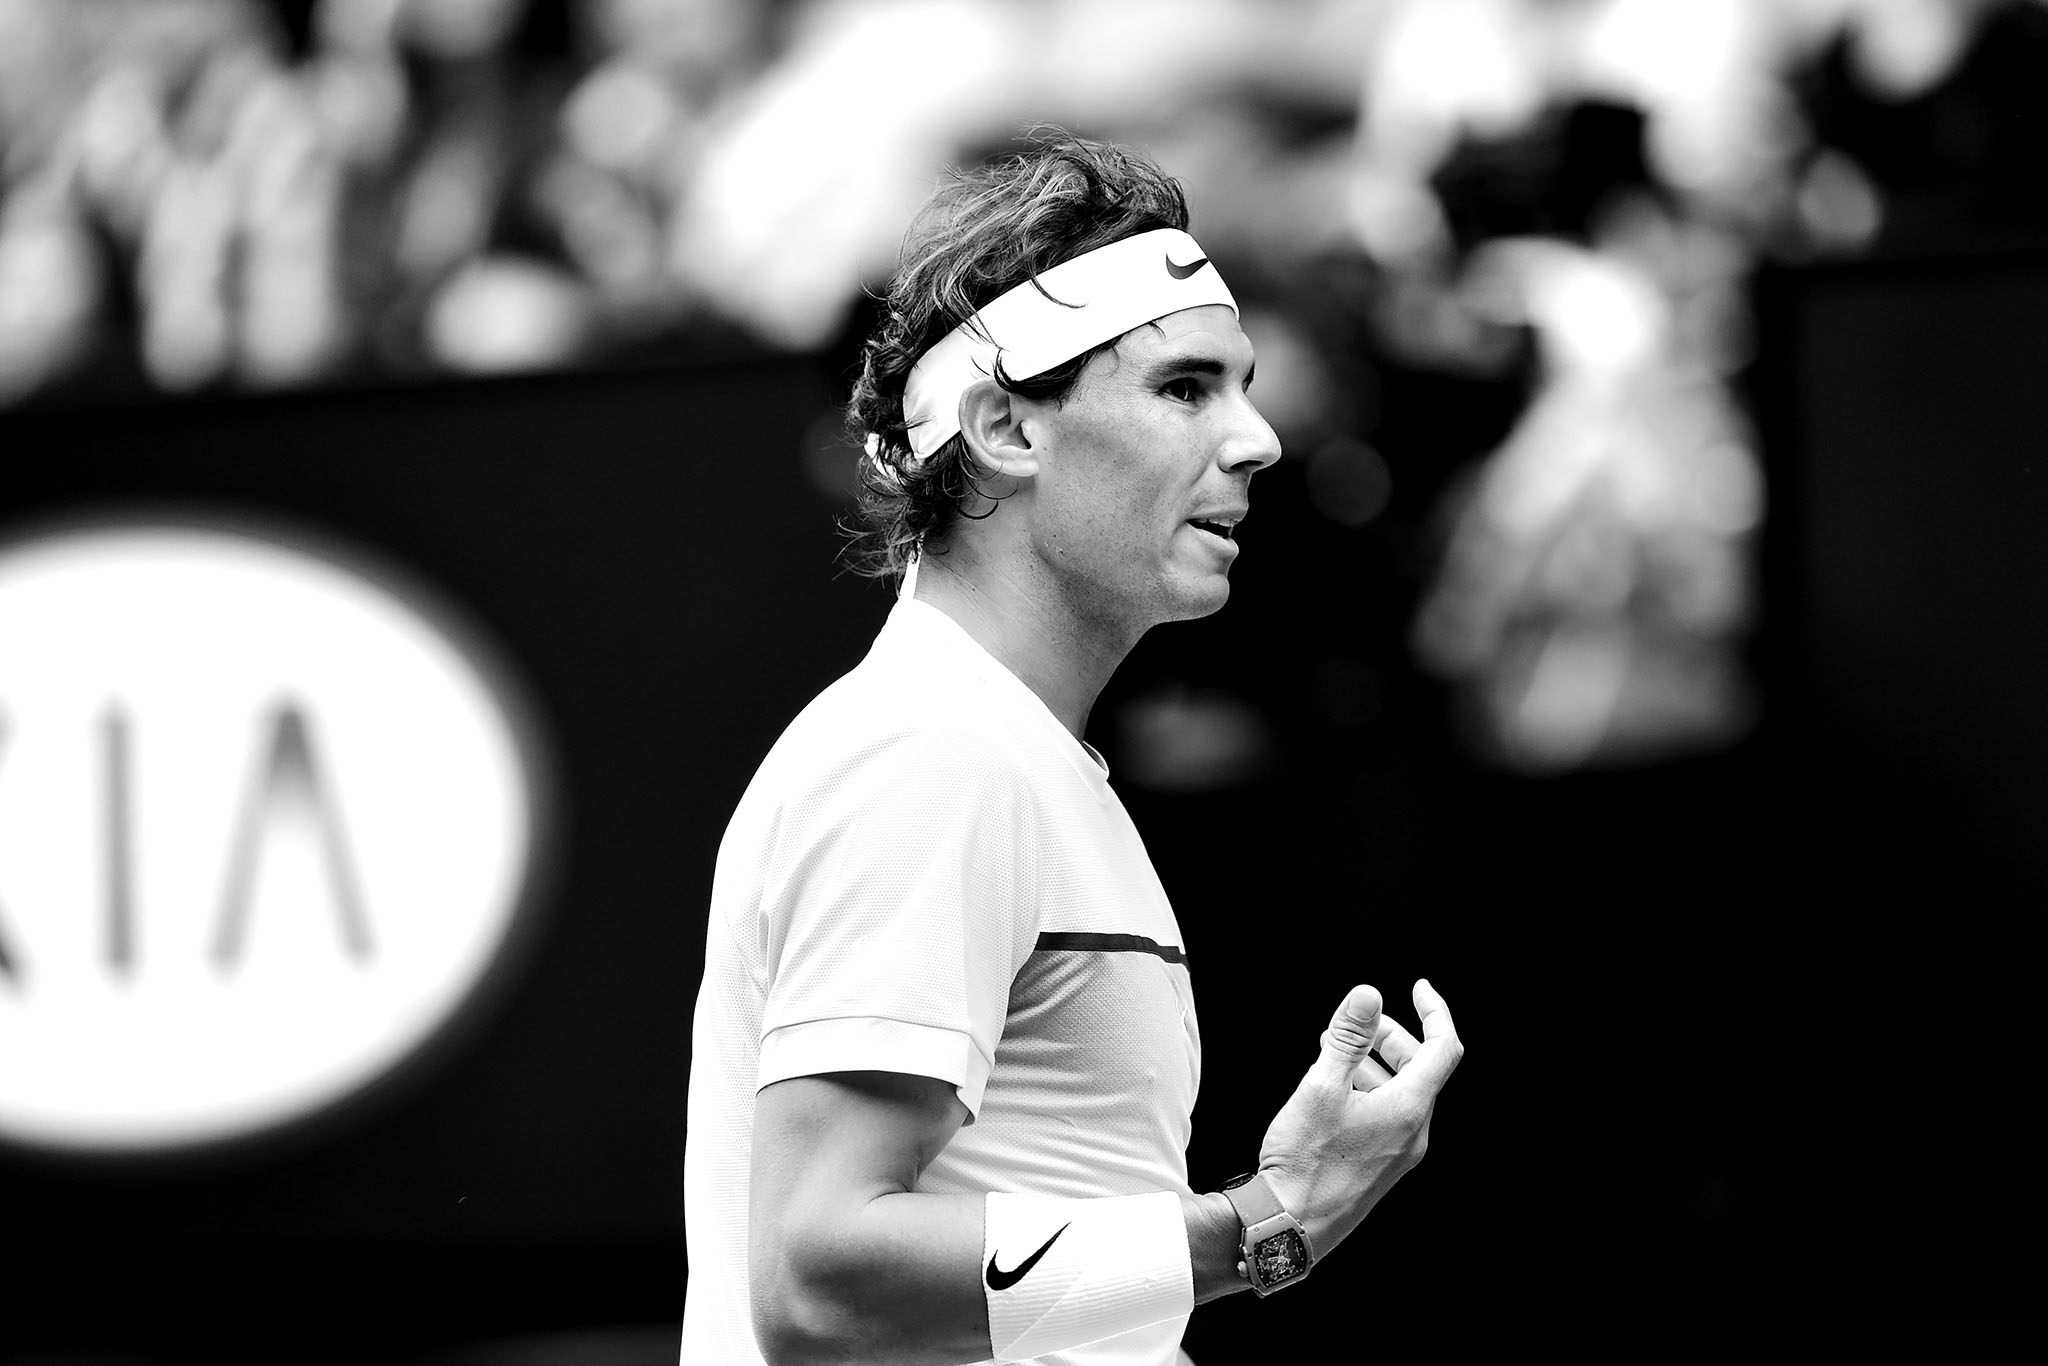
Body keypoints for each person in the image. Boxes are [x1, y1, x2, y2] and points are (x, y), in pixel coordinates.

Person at [680, 130, 1464, 1366]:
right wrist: (1263, 1223)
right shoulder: (933, 753)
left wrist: (1259, 1230)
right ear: (1004, 426)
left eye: (1243, 385)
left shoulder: (1001, 755)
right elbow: (816, 1276)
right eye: (1184, 388)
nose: (1256, 439)